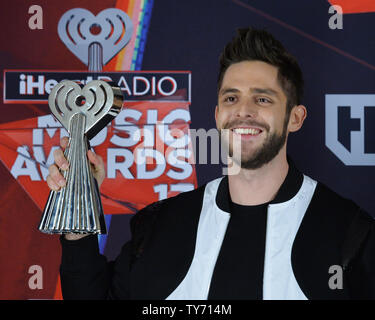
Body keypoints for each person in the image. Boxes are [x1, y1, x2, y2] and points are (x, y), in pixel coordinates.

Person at [47, 27, 374, 300]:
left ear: (295, 118)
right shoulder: (161, 225)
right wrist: (77, 202)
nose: (243, 110)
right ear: (217, 115)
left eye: (262, 98)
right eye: (231, 98)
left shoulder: (349, 233)